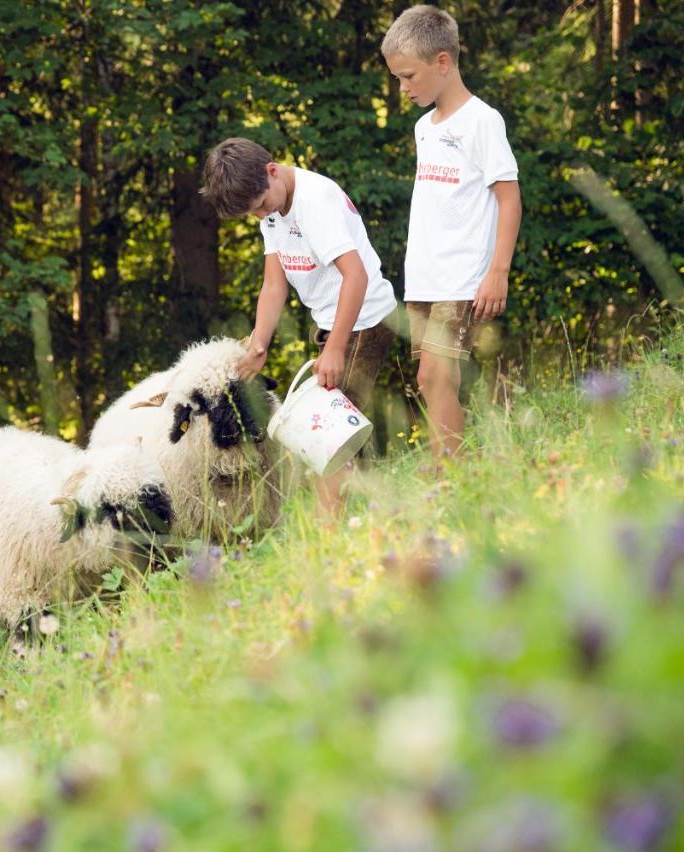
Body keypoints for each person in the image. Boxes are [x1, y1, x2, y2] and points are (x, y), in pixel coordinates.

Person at [201, 137, 398, 513]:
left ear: (271, 171)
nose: (260, 216)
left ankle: (327, 532)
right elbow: (274, 285)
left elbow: (355, 277)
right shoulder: (270, 211)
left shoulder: (314, 202)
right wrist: (258, 344)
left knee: (326, 432)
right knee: (340, 424)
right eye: (252, 214)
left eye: (260, 206)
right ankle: (370, 512)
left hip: (364, 320)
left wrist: (336, 347)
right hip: (332, 323)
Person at [382, 4, 522, 459]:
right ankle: (452, 468)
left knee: (436, 377)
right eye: (398, 79)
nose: (402, 88)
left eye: (408, 76)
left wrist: (497, 271)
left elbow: (508, 198)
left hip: (461, 276)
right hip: (424, 276)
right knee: (429, 378)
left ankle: (451, 477)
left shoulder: (483, 121)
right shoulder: (424, 127)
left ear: (442, 62)